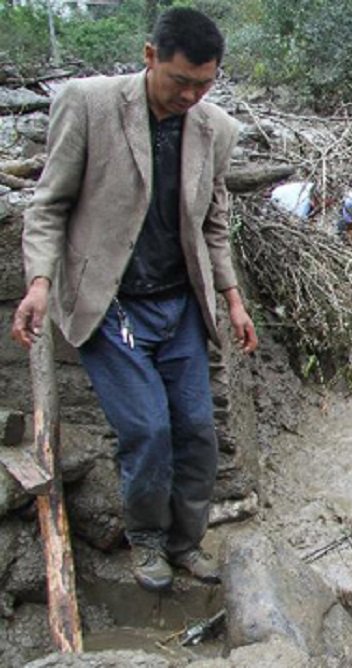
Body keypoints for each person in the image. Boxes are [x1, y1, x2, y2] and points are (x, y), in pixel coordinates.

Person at [12, 8, 258, 591]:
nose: (191, 96)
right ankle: (146, 540)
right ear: (150, 57)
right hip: (112, 302)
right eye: (180, 81)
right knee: (147, 430)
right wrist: (40, 282)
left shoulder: (215, 129)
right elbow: (49, 205)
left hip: (178, 306)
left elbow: (214, 221)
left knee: (197, 429)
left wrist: (233, 298)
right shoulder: (90, 104)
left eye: (205, 83)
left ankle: (185, 541)